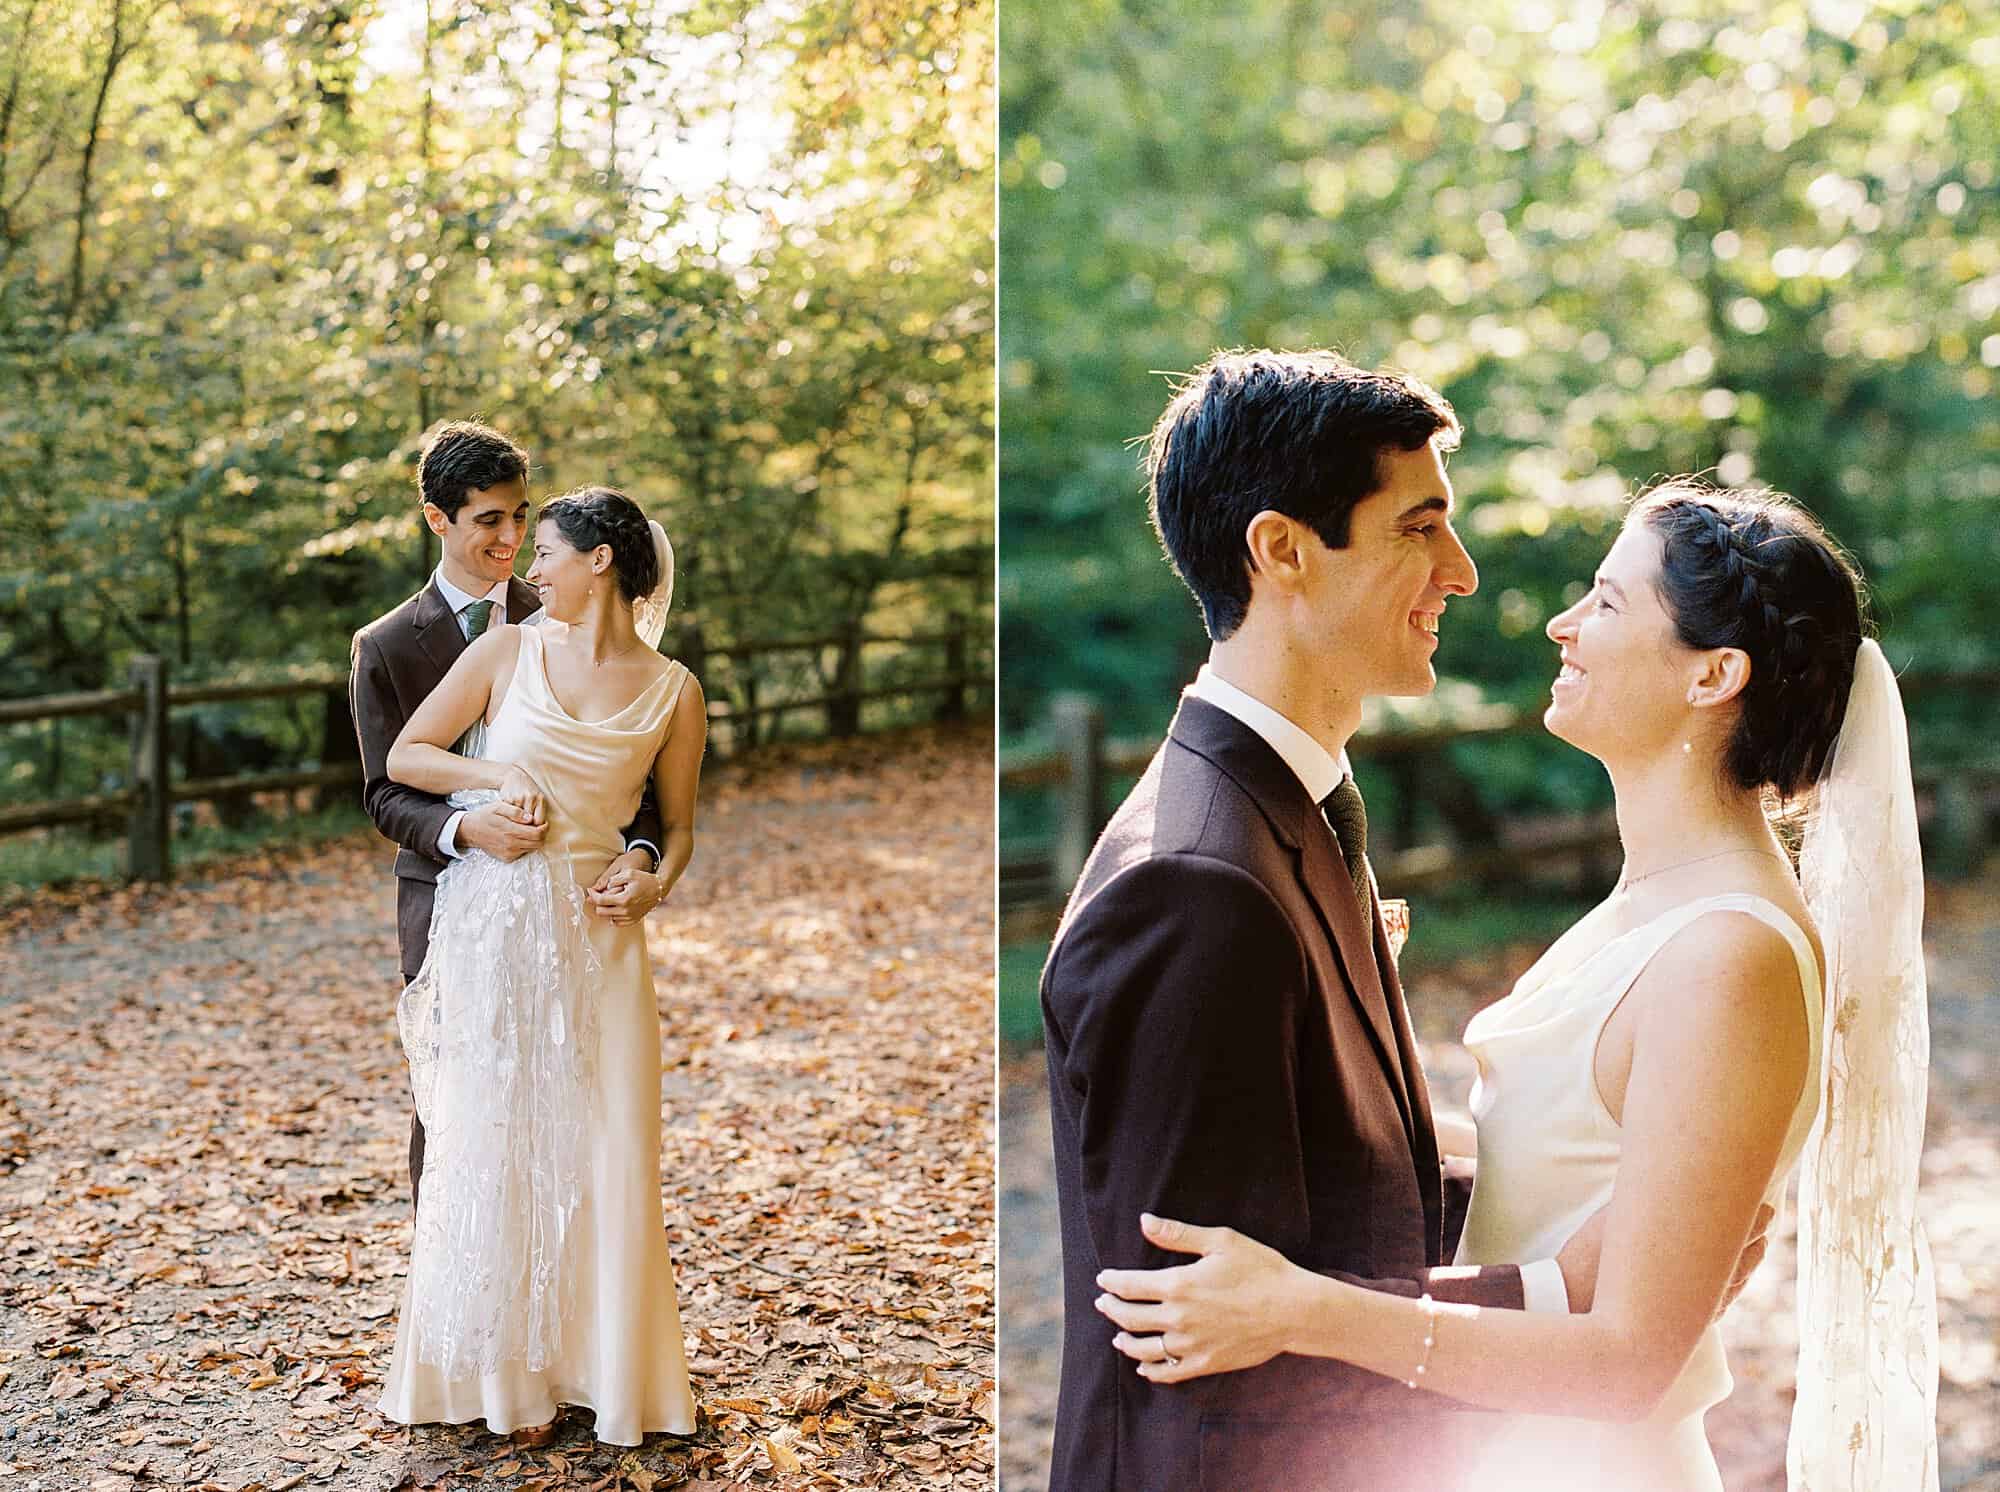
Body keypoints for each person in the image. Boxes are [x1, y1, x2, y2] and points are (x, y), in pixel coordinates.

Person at [1096, 480, 1938, 1491]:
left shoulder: (1729, 955)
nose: (1561, 623)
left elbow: (1626, 1362)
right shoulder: (1657, 897)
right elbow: (1546, 1157)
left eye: (1606, 602)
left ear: (1713, 673)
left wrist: (1298, 1308)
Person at [1034, 351, 1767, 1492]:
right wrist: (1554, 1289)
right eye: (1417, 527)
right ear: (1280, 550)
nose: (1460, 572)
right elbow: (1204, 1354)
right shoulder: (1194, 886)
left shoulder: (1294, 811)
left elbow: (1324, 1213)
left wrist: (1631, 1246)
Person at [373, 484, 707, 1447]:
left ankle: (604, 1371)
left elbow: (678, 828)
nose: (531, 568)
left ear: (601, 560)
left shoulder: (673, 689)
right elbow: (409, 756)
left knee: (607, 1147)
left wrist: (653, 877)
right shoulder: (505, 650)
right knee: (491, 1137)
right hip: (494, 929)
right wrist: (495, 778)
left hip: (601, 942)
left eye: (549, 551)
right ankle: (492, 1375)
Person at [349, 422, 670, 1215]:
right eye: (489, 520)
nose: (512, 537)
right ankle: (455, 1286)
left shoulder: (572, 605)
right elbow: (384, 792)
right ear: (438, 520)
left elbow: (641, 787)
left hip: (573, 904)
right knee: (455, 1100)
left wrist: (642, 857)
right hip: (446, 894)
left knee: (573, 1094)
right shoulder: (385, 645)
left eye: (521, 517)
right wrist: (468, 829)